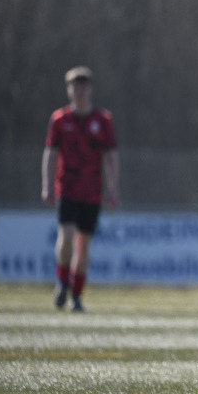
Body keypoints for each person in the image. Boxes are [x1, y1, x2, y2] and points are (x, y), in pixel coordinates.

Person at [42, 66, 119, 312]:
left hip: (92, 192)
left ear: (91, 90)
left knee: (83, 244)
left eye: (84, 87)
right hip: (67, 188)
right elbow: (51, 153)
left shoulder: (103, 121)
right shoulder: (60, 120)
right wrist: (47, 184)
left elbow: (111, 156)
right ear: (69, 90)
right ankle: (62, 282)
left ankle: (76, 295)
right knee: (66, 237)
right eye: (75, 87)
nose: (80, 91)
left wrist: (113, 188)